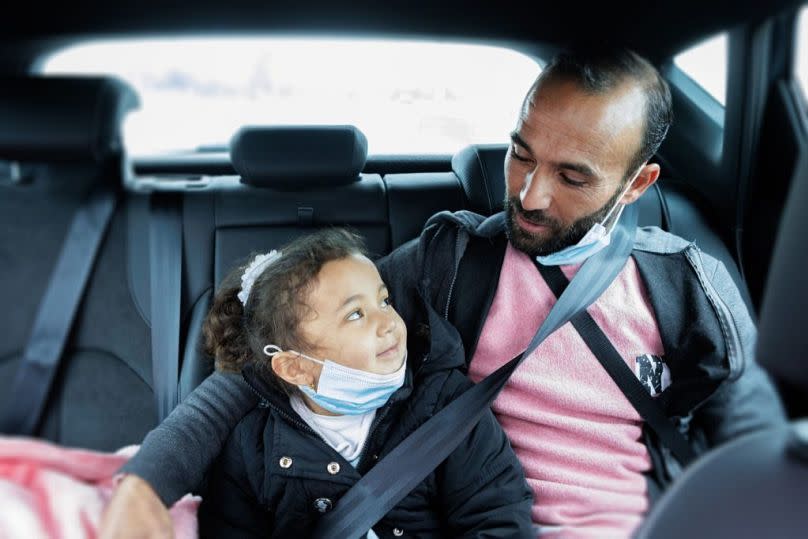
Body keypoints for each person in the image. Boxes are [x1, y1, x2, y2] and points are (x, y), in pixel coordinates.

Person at [101, 46, 786, 539]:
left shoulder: (688, 286)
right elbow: (264, 370)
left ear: (638, 183)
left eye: (572, 177)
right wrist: (144, 484)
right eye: (521, 152)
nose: (529, 195)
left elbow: (759, 459)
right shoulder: (450, 258)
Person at [140, 228, 533, 538]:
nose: (388, 323)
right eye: (356, 315)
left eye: (384, 301)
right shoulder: (253, 447)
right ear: (295, 368)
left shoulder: (446, 408)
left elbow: (498, 517)